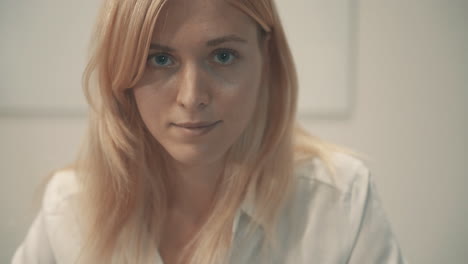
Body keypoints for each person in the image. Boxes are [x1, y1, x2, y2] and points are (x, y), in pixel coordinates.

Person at [12, 0, 408, 263]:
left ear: (265, 59)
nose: (192, 96)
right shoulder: (70, 209)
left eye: (223, 56)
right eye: (160, 58)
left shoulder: (339, 205)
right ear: (122, 71)